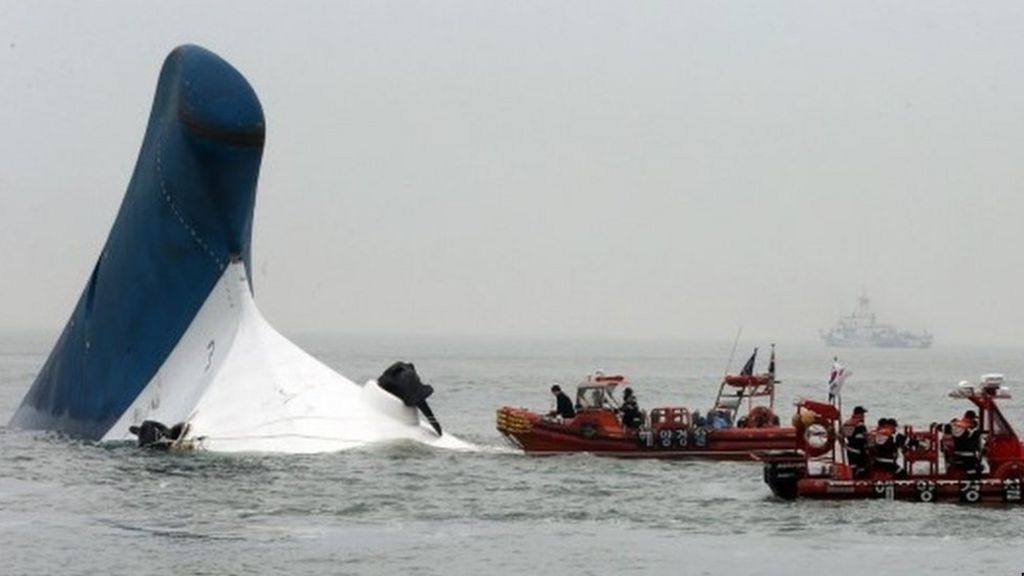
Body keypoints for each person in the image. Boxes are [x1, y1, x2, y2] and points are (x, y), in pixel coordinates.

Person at [950, 409, 982, 476]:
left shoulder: (955, 426)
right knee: (976, 469)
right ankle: (972, 482)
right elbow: (974, 440)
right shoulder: (971, 430)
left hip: (957, 452)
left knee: (978, 467)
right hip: (968, 454)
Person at [842, 406, 869, 477]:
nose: (863, 416)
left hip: (850, 449)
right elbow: (866, 437)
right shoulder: (860, 425)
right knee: (861, 469)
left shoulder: (847, 423)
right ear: (858, 414)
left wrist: (844, 445)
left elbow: (840, 435)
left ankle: (853, 480)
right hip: (859, 450)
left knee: (853, 468)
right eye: (862, 414)